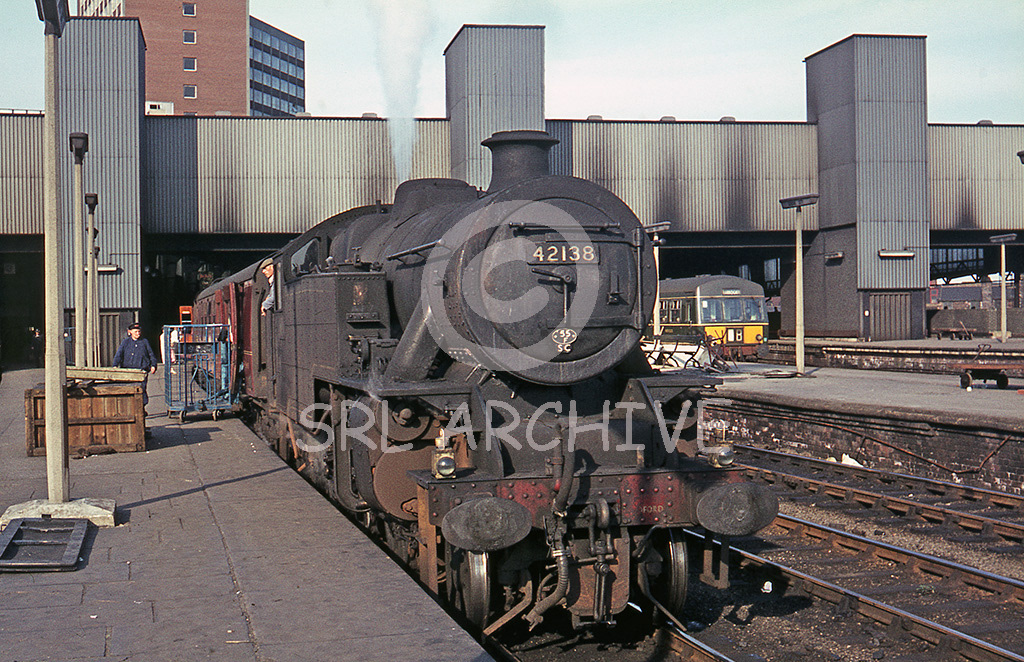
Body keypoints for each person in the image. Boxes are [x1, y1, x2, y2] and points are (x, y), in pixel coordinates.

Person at [113, 322, 159, 408]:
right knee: (129, 390)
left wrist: (153, 365)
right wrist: (115, 365)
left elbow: (151, 354)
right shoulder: (125, 342)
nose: (138, 333)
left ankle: (142, 407)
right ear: (130, 332)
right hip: (129, 371)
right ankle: (131, 408)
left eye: (139, 331)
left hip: (141, 370)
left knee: (142, 389)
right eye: (135, 332)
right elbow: (119, 354)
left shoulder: (144, 342)